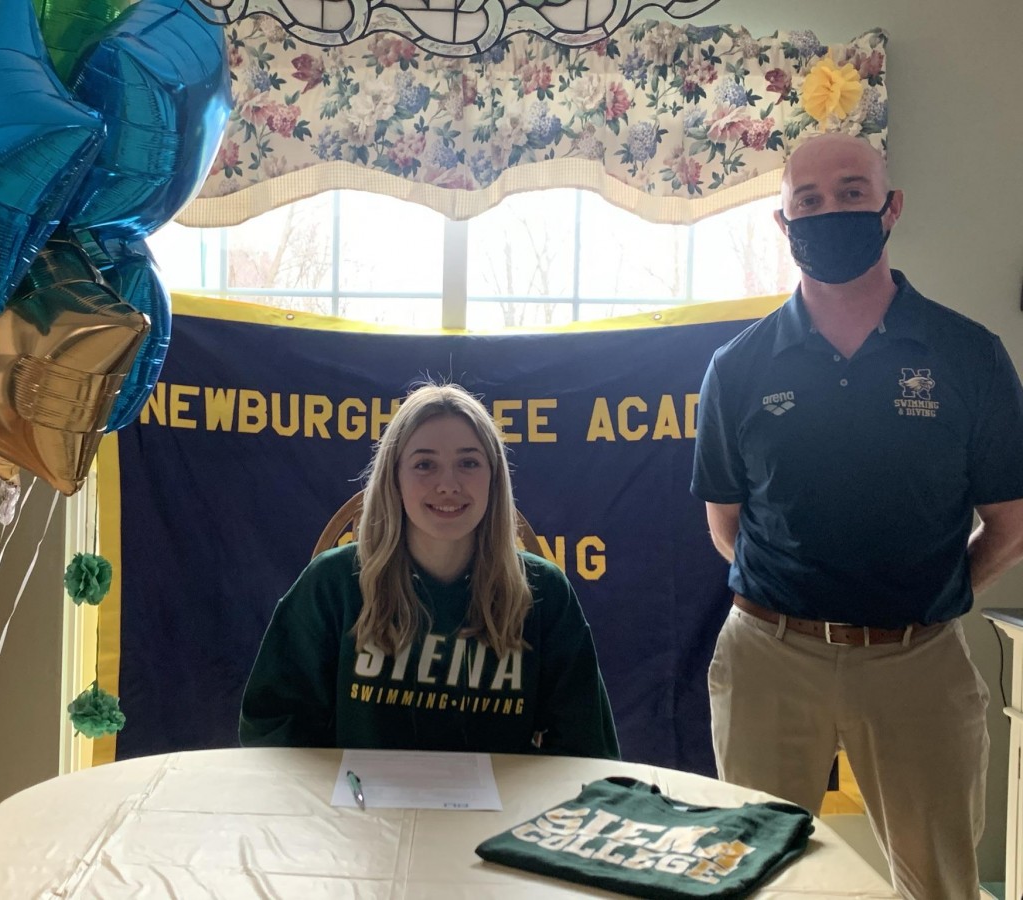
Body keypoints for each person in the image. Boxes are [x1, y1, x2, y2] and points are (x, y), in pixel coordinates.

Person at [691, 132, 1023, 900]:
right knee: (749, 882)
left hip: (918, 663)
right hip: (768, 659)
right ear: (783, 223)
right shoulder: (737, 368)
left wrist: (929, 597)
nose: (828, 211)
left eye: (850, 193)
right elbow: (725, 527)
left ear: (891, 208)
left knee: (940, 883)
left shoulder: (969, 356)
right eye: (807, 201)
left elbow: (1009, 524)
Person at [240, 382, 619, 759]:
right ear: (394, 477)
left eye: (468, 463)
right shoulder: (332, 584)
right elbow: (271, 728)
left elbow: (587, 748)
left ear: (494, 476)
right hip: (358, 814)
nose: (448, 485)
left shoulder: (544, 592)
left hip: (500, 818)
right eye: (424, 464)